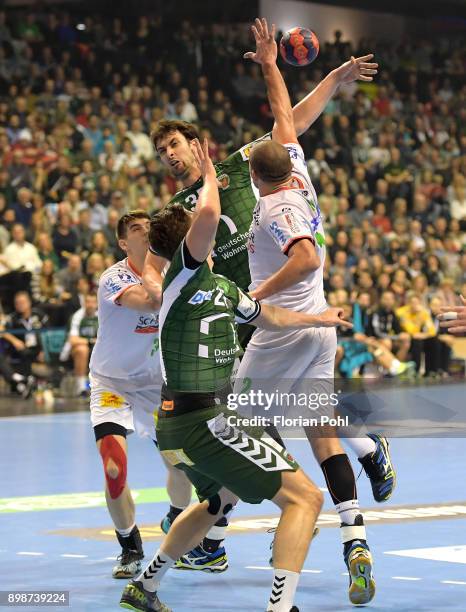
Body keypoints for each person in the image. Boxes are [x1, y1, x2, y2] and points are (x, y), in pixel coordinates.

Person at [142, 44, 388, 569]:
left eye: (175, 143)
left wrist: (332, 80)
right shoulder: (173, 215)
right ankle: (360, 456)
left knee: (243, 422)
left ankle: (223, 527)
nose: (168, 153)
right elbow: (161, 271)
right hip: (232, 322)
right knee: (252, 420)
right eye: (161, 148)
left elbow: (290, 120)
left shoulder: (238, 168)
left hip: (266, 308)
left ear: (197, 145)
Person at [120, 134, 350, 612]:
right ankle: (280, 607)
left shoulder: (220, 285)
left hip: (181, 425)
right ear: (187, 245)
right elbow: (205, 217)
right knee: (305, 499)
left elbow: (269, 316)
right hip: (204, 421)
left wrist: (318, 319)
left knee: (217, 501)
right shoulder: (181, 278)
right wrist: (208, 177)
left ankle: (146, 585)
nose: (213, 233)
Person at [235, 19, 377, 605]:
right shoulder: (294, 167)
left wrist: (256, 295)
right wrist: (280, 67)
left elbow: (307, 259)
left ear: (252, 176)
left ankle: (288, 504)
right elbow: (287, 115)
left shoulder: (274, 209)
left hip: (286, 332)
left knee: (238, 421)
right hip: (320, 328)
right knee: (324, 434)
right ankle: (355, 537)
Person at [88, 210, 192, 580]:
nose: (145, 233)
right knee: (114, 469)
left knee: (180, 463)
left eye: (150, 228)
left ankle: (178, 521)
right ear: (122, 242)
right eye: (136, 230)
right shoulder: (113, 277)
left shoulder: (171, 272)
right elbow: (149, 303)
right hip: (113, 383)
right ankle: (130, 546)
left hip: (155, 384)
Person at [0, 291, 47, 396]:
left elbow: (49, 333)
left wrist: (45, 350)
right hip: (21, 353)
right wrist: (14, 340)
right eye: (17, 303)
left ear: (29, 302)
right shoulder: (12, 318)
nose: (20, 305)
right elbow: (1, 328)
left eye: (22, 302)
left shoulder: (39, 315)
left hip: (39, 352)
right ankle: (22, 381)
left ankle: (21, 382)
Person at [68, 292, 99, 396]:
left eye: (93, 302)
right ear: (84, 303)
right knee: (82, 349)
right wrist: (90, 341)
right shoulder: (77, 316)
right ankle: (81, 388)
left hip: (96, 348)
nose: (90, 305)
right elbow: (73, 340)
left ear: (97, 304)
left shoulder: (101, 316)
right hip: (73, 350)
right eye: (87, 302)